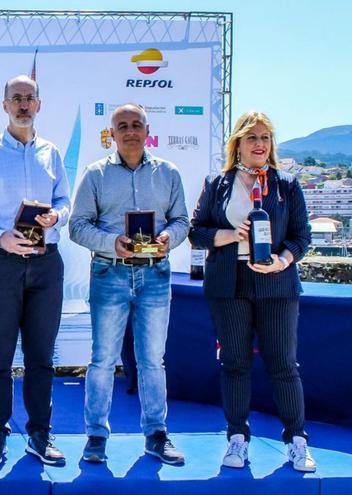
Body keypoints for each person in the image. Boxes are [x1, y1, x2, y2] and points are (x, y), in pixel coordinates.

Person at [189, 111, 315, 472]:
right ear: (238, 144)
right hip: (228, 285)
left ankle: (296, 439)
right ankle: (237, 438)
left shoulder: (287, 184)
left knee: (283, 365)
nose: (259, 144)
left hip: (277, 285)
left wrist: (283, 260)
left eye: (265, 137)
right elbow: (197, 232)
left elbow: (301, 236)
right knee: (235, 364)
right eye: (252, 137)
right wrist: (232, 235)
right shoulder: (217, 182)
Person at [70, 104, 189, 465]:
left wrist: (169, 236)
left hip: (155, 274)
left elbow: (182, 220)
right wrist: (112, 243)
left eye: (136, 124)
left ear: (147, 129)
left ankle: (156, 434)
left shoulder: (169, 173)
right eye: (122, 125)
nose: (130, 131)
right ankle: (95, 436)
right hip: (110, 273)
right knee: (103, 359)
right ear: (112, 133)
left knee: (152, 360)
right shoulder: (94, 175)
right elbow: (76, 226)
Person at [0, 75, 71, 466]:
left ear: (39, 105)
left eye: (30, 98)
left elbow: (64, 200)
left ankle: (40, 433)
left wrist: (58, 215)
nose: (23, 105)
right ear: (4, 105)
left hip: (45, 265)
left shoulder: (51, 153)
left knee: (41, 355)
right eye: (16, 99)